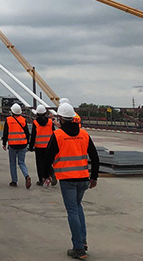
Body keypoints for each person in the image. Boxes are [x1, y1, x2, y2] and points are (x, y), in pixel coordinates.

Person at [45, 103, 100, 259]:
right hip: (83, 178)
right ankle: (83, 241)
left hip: (68, 179)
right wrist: (94, 176)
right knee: (77, 207)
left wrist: (46, 174)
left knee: (72, 211)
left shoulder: (58, 135)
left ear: (61, 119)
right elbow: (95, 157)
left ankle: (78, 248)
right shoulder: (84, 134)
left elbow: (48, 157)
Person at [2, 103, 31, 188]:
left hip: (13, 144)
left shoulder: (8, 120)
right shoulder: (23, 120)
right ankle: (26, 175)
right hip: (23, 144)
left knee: (12, 163)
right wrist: (28, 143)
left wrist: (4, 143)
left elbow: (5, 132)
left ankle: (14, 181)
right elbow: (27, 133)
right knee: (22, 162)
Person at [28, 104, 55, 186]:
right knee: (48, 161)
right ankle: (52, 172)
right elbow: (54, 133)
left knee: (40, 164)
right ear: (45, 112)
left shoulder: (35, 122)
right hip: (49, 146)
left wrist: (31, 146)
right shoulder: (50, 122)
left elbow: (33, 135)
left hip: (39, 146)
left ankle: (41, 180)